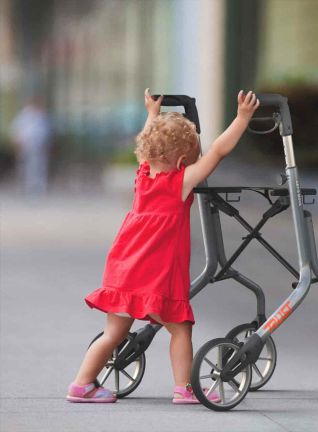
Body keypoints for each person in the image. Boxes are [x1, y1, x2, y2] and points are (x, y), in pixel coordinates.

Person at [66, 88, 259, 403]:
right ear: (184, 159)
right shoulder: (181, 182)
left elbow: (144, 144)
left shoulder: (143, 176)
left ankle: (81, 384)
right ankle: (184, 388)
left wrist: (152, 115)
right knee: (180, 329)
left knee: (113, 333)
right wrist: (242, 118)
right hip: (157, 275)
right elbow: (219, 151)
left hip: (124, 269)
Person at [10, 97, 52, 195]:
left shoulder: (42, 116)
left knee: (38, 167)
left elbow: (46, 132)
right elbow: (16, 130)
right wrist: (18, 143)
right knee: (26, 167)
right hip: (26, 145)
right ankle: (26, 188)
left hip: (38, 146)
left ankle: (37, 189)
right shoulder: (24, 116)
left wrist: (46, 145)